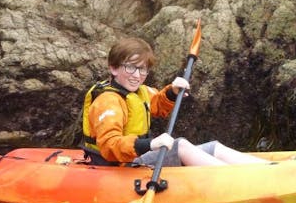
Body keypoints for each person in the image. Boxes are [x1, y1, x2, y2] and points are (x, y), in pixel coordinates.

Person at [81, 37, 270, 167]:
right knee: (179, 145)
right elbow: (109, 146)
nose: (137, 76)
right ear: (113, 68)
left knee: (214, 147)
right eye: (131, 68)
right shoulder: (108, 101)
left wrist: (172, 92)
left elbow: (158, 104)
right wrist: (150, 144)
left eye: (143, 70)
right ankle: (241, 179)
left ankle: (270, 168)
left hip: (135, 158)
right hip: (121, 165)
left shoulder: (140, 91)